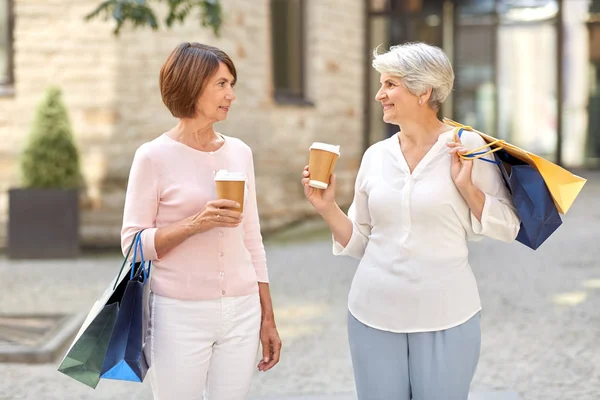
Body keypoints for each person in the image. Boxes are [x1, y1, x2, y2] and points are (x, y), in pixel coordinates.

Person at [301, 42, 520, 400]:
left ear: (423, 91)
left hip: (447, 316)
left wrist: (467, 187)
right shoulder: (376, 156)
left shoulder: (468, 147)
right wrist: (327, 207)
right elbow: (361, 242)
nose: (379, 94)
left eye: (390, 84)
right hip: (371, 315)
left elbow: (509, 226)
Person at [121, 42, 281, 400]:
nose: (232, 95)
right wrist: (196, 223)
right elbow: (132, 244)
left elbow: (252, 238)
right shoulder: (153, 157)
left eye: (231, 84)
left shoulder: (240, 152)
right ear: (193, 85)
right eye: (221, 84)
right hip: (178, 313)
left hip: (242, 310)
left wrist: (266, 316)